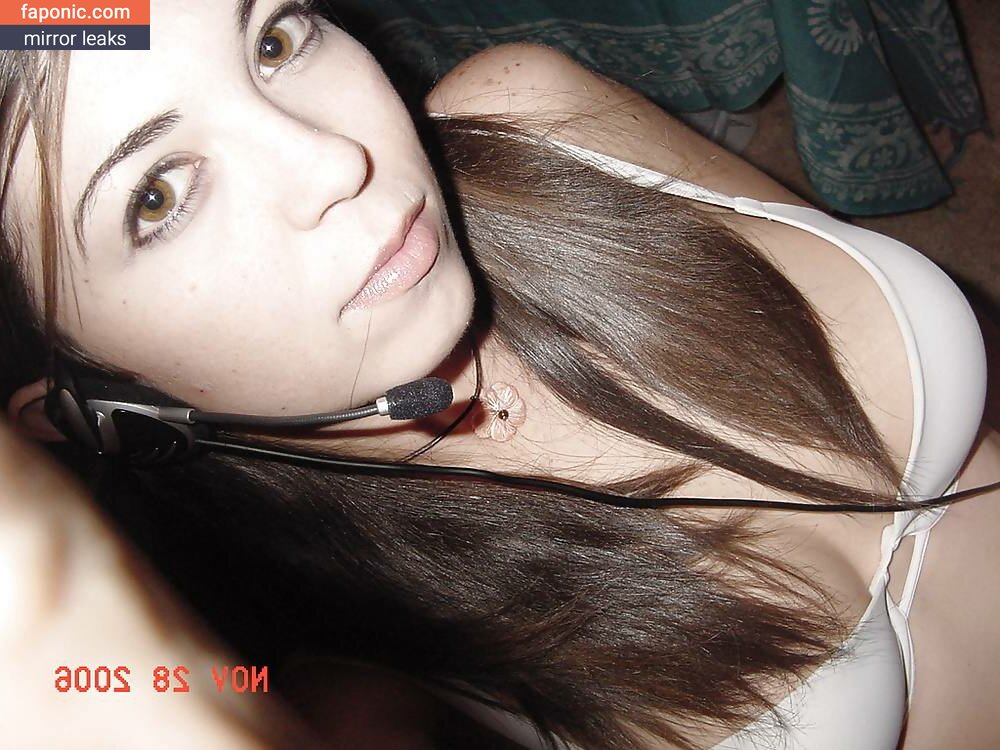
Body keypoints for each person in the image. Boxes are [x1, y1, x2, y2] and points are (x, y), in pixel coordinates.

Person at [1, 2, 998, 748]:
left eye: (271, 41)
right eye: (157, 194)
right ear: (81, 409)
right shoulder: (271, 658)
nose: (333, 161)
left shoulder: (530, 107)